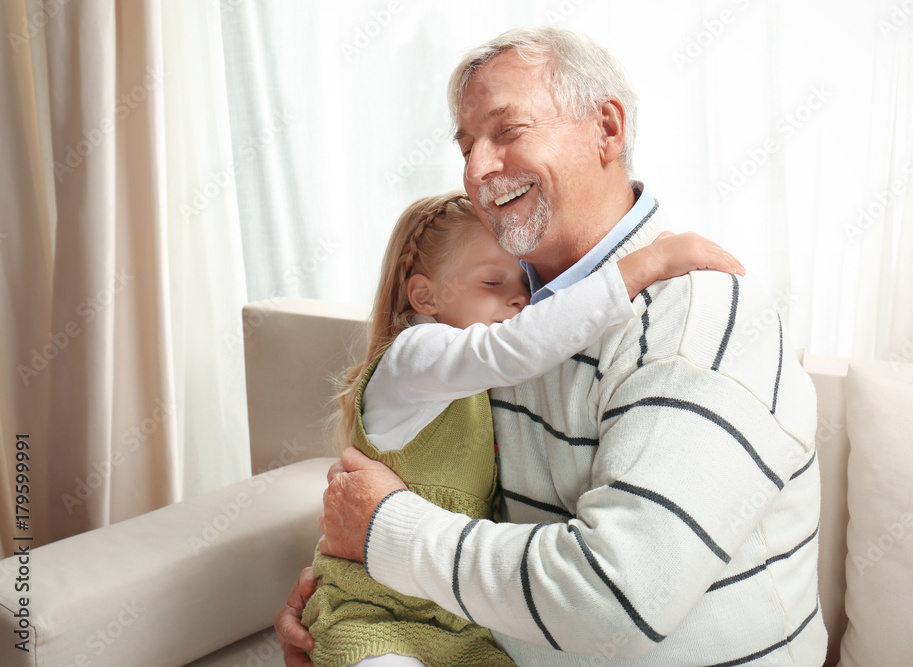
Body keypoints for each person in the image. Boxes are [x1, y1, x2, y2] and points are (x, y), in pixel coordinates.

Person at [280, 27, 827, 666]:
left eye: (508, 131)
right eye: (466, 146)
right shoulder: (500, 319)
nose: (477, 169)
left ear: (607, 129)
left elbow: (613, 598)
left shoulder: (696, 322)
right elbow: (449, 500)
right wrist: (348, 603)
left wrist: (386, 534)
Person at [302, 191, 744, 667]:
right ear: (425, 297)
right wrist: (645, 264)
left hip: (456, 624)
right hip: (375, 613)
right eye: (492, 282)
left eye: (522, 282)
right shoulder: (413, 356)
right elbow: (518, 346)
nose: (518, 298)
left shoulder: (476, 388)